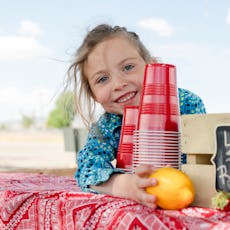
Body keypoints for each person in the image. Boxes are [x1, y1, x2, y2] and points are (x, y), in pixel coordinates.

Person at [66, 23, 206, 209]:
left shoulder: (186, 103)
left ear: (153, 66)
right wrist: (126, 186)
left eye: (128, 67)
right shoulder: (108, 125)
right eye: (102, 79)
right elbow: (88, 169)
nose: (118, 83)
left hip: (186, 196)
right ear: (93, 95)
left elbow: (206, 156)